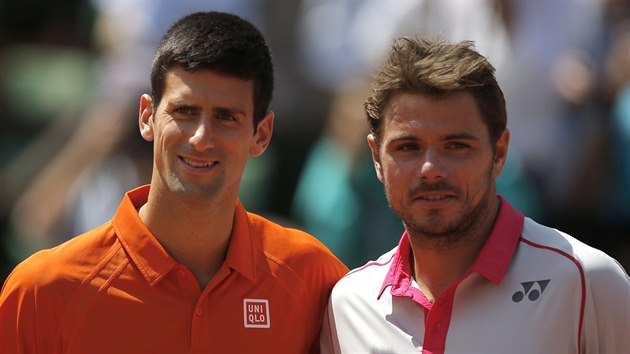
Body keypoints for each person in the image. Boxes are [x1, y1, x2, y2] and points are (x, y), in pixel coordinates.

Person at [0, 11, 348, 353]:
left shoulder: (313, 276)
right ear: (147, 117)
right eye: (184, 111)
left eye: (226, 117)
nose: (201, 137)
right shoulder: (41, 291)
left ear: (262, 134)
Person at [320, 37, 630, 354]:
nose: (430, 168)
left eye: (456, 146)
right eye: (408, 147)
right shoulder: (348, 304)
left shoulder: (587, 281)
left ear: (499, 153)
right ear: (376, 158)